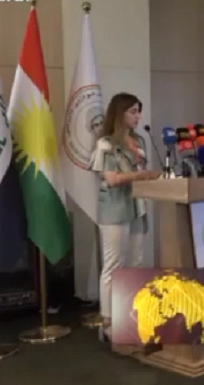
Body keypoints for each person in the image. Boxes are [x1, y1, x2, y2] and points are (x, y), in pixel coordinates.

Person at [90, 93, 160, 341]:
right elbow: (111, 179)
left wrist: (150, 176)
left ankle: (131, 317)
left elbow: (141, 172)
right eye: (133, 111)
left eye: (139, 111)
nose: (138, 116)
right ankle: (109, 322)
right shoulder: (106, 143)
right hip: (114, 208)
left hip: (137, 206)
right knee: (114, 266)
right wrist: (140, 176)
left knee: (137, 262)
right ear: (120, 113)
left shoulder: (139, 140)